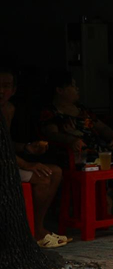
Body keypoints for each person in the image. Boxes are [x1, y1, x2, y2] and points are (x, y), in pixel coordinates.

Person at [39, 72, 113, 193]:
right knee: (101, 167)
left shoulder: (82, 110)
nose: (77, 89)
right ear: (60, 90)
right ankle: (104, 197)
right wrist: (71, 140)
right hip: (77, 156)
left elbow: (102, 127)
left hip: (101, 152)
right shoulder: (51, 112)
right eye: (73, 86)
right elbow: (51, 134)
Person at [0, 66, 68, 247]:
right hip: (4, 167)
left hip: (10, 162)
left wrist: (28, 149)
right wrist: (26, 164)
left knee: (56, 172)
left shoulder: (9, 109)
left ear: (14, 90)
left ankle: (38, 226)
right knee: (43, 177)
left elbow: (6, 144)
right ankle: (34, 231)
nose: (1, 90)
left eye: (6, 86)